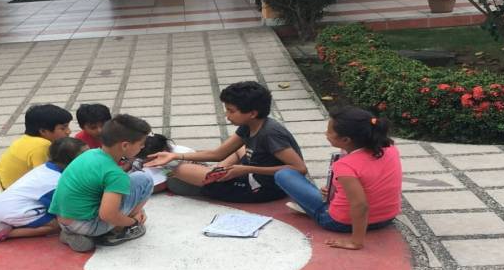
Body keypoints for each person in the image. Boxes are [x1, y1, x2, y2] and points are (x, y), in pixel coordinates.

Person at [145, 81, 307, 203]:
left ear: (252, 113)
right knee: (238, 150)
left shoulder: (270, 133)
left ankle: (212, 178)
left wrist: (245, 169)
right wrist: (174, 156)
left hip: (264, 188)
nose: (226, 115)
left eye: (231, 111)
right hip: (251, 171)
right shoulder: (250, 125)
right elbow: (218, 154)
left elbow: (299, 169)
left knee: (180, 170)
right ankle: (214, 173)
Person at [274, 106, 402, 250]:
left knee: (284, 175)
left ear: (346, 139)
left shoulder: (345, 166)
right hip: (387, 217)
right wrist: (333, 191)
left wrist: (356, 242)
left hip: (341, 223)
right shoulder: (389, 148)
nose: (326, 134)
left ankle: (311, 210)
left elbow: (360, 205)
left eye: (329, 132)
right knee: (327, 192)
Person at [50, 114, 154, 253]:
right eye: (141, 144)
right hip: (89, 225)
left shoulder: (90, 154)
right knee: (144, 179)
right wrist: (133, 222)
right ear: (125, 145)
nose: (142, 147)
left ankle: (74, 234)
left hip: (63, 220)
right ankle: (125, 227)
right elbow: (107, 215)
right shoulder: (115, 174)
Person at [0, 137, 87, 246]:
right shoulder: (56, 182)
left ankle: (4, 224)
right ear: (73, 162)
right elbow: (63, 209)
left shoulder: (45, 168)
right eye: (86, 156)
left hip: (2, 205)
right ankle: (9, 233)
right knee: (57, 225)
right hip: (15, 211)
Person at [0, 104, 72, 189]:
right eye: (63, 128)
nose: (69, 131)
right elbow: (45, 176)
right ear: (43, 131)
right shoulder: (42, 146)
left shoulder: (26, 139)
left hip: (6, 186)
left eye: (67, 126)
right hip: (19, 192)